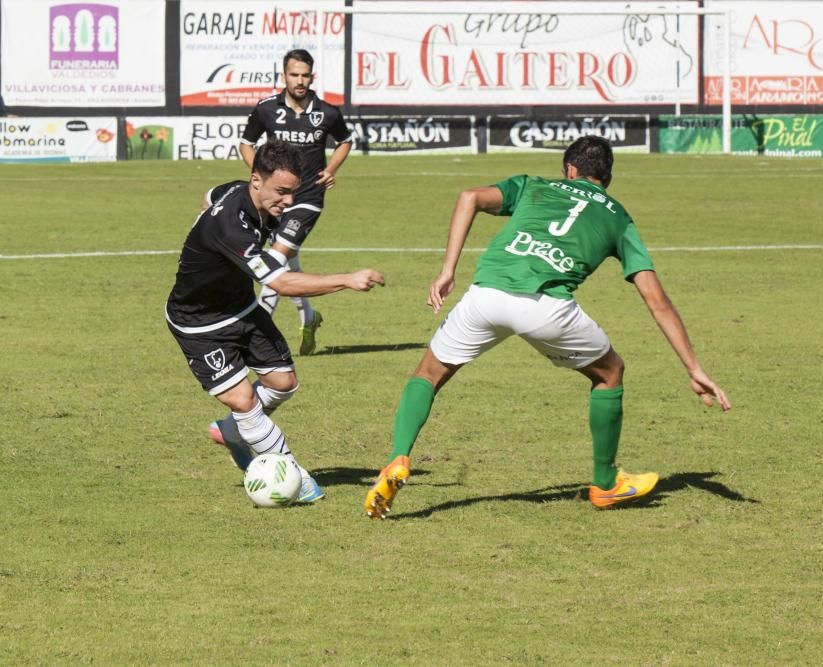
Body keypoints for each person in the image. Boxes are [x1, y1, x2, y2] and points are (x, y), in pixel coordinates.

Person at [363, 136, 730, 519]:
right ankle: (605, 484)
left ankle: (397, 458)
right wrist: (693, 368)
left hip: (486, 294)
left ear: (570, 170)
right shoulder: (619, 217)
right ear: (606, 177)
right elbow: (657, 301)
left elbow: (469, 197)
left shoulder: (533, 184)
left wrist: (447, 270)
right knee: (610, 372)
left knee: (428, 373)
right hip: (545, 308)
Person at [166, 140, 384, 503]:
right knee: (244, 400)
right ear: (256, 180)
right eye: (281, 192)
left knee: (284, 383)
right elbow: (281, 282)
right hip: (200, 323)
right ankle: (294, 475)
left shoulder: (241, 192)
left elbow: (210, 194)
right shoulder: (230, 226)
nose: (287, 202)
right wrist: (346, 279)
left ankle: (234, 432)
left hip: (241, 308)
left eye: (292, 193)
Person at [239, 48, 354, 355]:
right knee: (289, 260)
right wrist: (261, 176)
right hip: (276, 201)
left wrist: (330, 169)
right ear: (284, 76)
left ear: (311, 76)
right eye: (294, 75)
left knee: (274, 260)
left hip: (308, 198)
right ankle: (309, 317)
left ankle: (256, 330)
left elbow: (345, 141)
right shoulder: (266, 109)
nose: (300, 81)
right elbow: (246, 143)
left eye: (305, 75)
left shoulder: (327, 112)